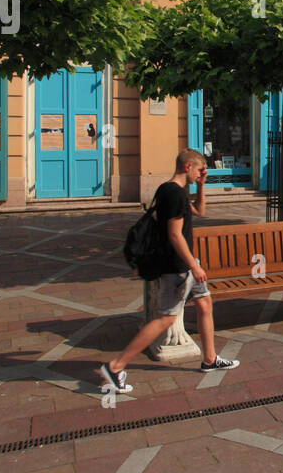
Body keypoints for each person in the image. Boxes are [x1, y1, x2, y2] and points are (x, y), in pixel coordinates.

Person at [99, 148, 240, 394]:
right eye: (198, 170)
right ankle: (115, 366)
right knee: (166, 318)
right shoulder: (174, 194)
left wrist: (202, 186)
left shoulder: (171, 190)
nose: (200, 174)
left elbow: (199, 212)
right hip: (178, 266)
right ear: (187, 167)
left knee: (205, 304)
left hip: (184, 263)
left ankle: (210, 359)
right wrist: (194, 266)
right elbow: (175, 235)